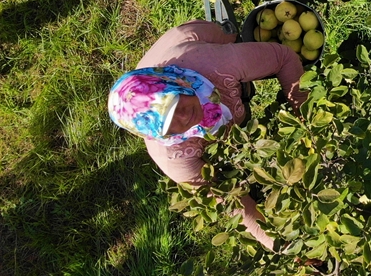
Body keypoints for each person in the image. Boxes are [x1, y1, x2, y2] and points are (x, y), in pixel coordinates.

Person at [108, 20, 308, 251]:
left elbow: (284, 57)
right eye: (169, 126)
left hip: (188, 38)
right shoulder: (171, 155)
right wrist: (277, 242)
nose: (183, 118)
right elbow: (230, 199)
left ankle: (234, 60)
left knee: (228, 35)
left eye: (175, 104)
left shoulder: (211, 62)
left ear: (176, 84)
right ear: (158, 135)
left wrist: (306, 117)